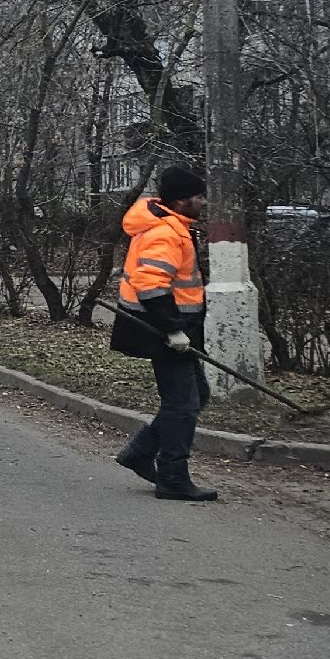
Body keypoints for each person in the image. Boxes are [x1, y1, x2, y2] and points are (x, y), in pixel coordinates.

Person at [109, 165, 217, 501]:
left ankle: (140, 454)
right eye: (198, 196)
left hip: (169, 329)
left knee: (194, 396)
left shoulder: (174, 226)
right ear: (181, 200)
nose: (203, 202)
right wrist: (172, 330)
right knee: (183, 404)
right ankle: (172, 476)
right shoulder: (164, 233)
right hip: (161, 331)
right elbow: (151, 285)